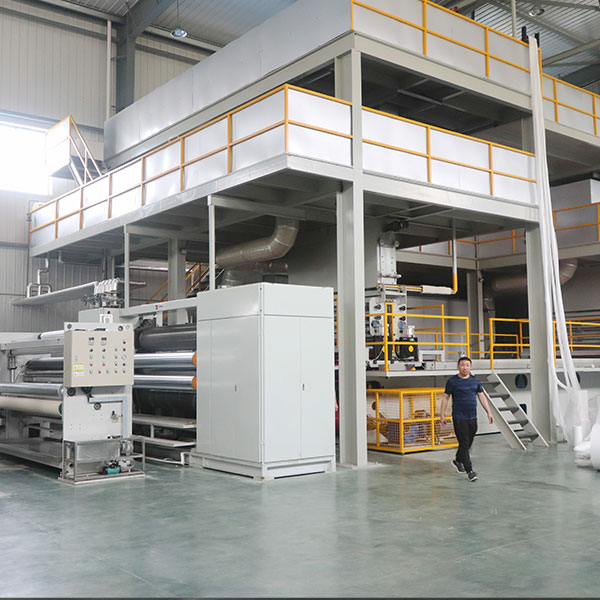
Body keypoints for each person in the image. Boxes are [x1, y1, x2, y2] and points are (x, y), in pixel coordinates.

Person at [439, 356, 494, 482]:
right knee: (464, 443)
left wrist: (489, 412)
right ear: (458, 367)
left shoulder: (475, 381)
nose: (465, 368)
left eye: (467, 365)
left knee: (468, 443)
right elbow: (446, 398)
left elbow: (481, 396)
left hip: (472, 416)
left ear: (470, 367)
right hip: (459, 417)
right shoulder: (452, 381)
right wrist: (442, 414)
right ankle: (470, 471)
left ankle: (458, 460)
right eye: (462, 365)